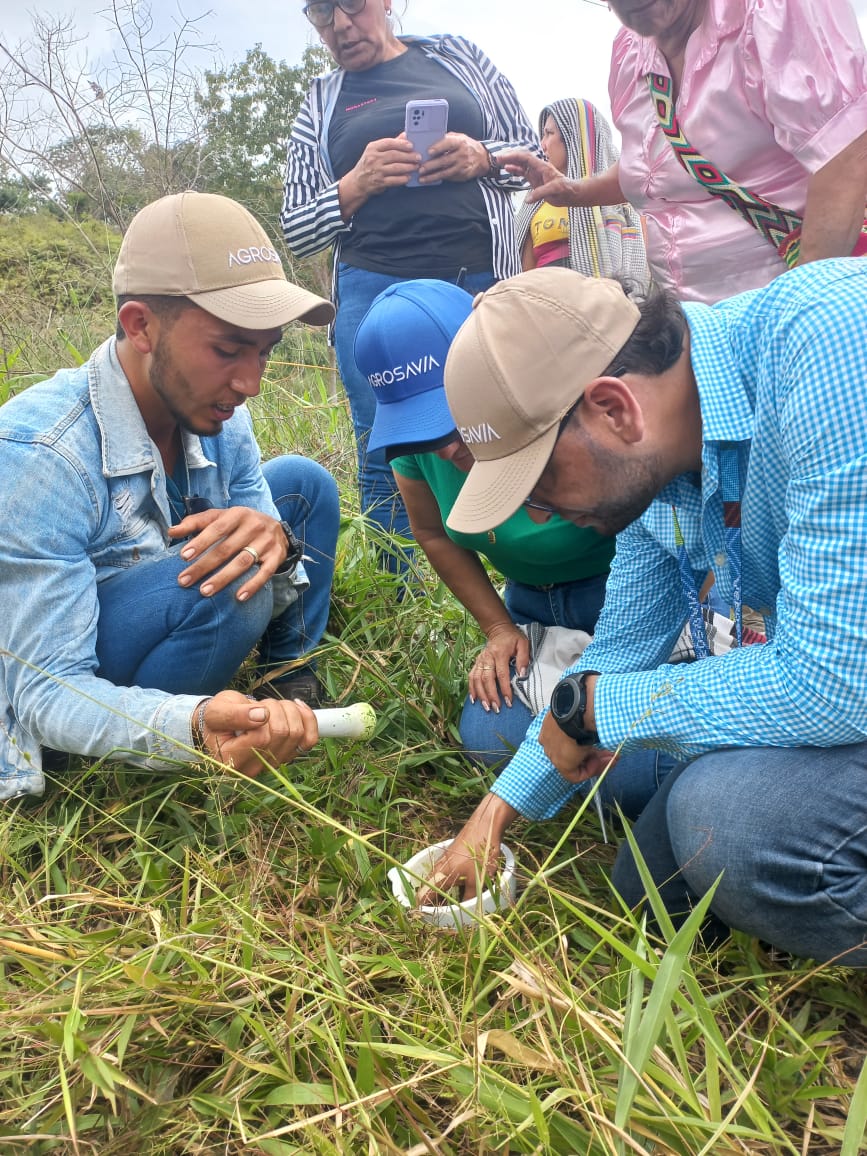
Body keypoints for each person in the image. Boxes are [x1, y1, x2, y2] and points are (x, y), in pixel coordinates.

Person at [424, 263, 867, 966]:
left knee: (726, 822)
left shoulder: (833, 346)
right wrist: (492, 817)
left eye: (539, 481)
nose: (537, 513)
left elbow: (836, 682)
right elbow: (622, 648)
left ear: (612, 408)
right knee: (651, 885)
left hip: (848, 683)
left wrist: (597, 708)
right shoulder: (658, 470)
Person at [0, 191, 341, 802]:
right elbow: (45, 691)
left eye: (265, 351)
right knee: (232, 594)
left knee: (304, 487)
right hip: (72, 668)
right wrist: (185, 724)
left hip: (157, 593)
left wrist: (277, 537)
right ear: (141, 326)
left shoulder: (219, 410)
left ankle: (289, 676)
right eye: (228, 348)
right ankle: (187, 736)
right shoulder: (39, 457)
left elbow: (260, 520)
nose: (250, 383)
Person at [352, 277, 675, 815]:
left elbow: (665, 557)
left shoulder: (572, 420)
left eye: (452, 418)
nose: (450, 447)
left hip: (622, 593)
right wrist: (500, 628)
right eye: (424, 432)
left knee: (625, 766)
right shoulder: (417, 454)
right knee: (488, 735)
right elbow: (432, 533)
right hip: (532, 606)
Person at [280, 0, 539, 564]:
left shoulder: (459, 58)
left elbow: (531, 154)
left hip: (479, 280)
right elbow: (296, 226)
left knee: (504, 423)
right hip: (375, 291)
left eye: (353, 5)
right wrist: (356, 183)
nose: (341, 25)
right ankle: (399, 597)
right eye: (322, 13)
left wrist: (481, 156)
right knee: (386, 446)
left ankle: (527, 574)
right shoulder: (321, 101)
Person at [499, 0, 867, 303]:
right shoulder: (628, 54)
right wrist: (573, 192)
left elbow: (845, 152)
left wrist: (799, 315)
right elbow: (648, 170)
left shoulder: (772, 11)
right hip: (693, 326)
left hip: (782, 299)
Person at [514, 97, 647, 284]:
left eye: (549, 134)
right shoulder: (534, 202)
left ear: (573, 138)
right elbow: (524, 276)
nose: (542, 144)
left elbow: (639, 270)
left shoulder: (620, 202)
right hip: (546, 303)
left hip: (602, 304)